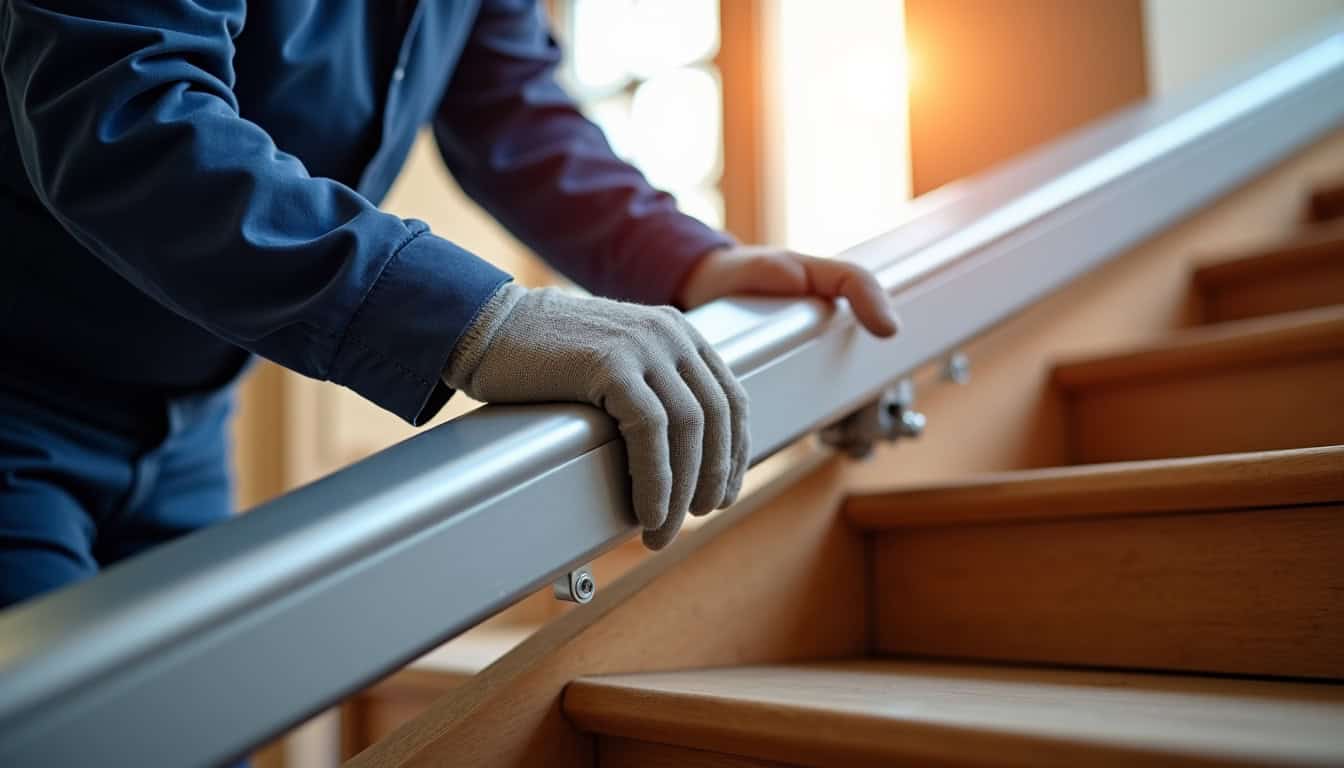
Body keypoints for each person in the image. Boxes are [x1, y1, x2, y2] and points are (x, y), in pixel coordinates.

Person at [0, 0, 898, 612]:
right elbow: (128, 110)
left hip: (190, 415)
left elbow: (512, 111)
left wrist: (693, 264)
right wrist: (482, 324)